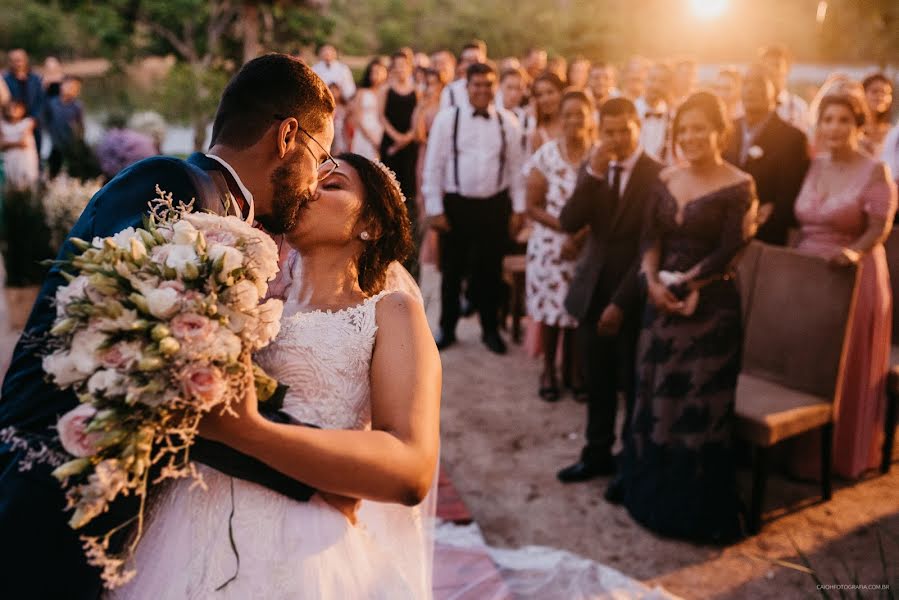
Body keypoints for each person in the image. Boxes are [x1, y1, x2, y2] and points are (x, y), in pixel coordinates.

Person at [0, 53, 338, 599]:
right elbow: (153, 366)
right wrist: (317, 467)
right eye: (321, 158)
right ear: (287, 136)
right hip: (46, 490)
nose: (317, 184)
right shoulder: (175, 184)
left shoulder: (227, 212)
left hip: (104, 506)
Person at [113, 154, 441, 599]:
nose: (310, 188)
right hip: (185, 522)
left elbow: (410, 467)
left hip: (302, 549)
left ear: (372, 225)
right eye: (313, 176)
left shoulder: (390, 311)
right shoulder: (243, 300)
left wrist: (251, 431)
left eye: (334, 185)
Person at [620, 92, 757, 542]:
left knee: (698, 406)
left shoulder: (740, 185)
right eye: (684, 130)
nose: (691, 137)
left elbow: (729, 249)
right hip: (659, 304)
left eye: (700, 128)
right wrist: (654, 284)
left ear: (719, 132)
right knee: (656, 396)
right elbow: (649, 236)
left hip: (711, 309)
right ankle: (651, 492)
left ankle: (693, 506)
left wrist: (686, 284)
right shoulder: (665, 178)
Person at [556, 97, 663, 483]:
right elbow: (569, 220)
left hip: (632, 292)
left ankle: (630, 465)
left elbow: (652, 245)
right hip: (591, 290)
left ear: (638, 127)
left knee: (631, 386)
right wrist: (592, 177)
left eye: (624, 131)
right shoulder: (595, 167)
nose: (616, 139)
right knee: (597, 382)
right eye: (609, 132)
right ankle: (596, 453)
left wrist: (621, 301)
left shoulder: (657, 174)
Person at [792, 93, 897, 480]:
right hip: (808, 278)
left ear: (858, 126)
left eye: (842, 121)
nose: (833, 128)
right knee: (808, 361)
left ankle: (839, 456)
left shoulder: (875, 171)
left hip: (854, 276)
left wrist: (854, 253)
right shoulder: (814, 165)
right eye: (827, 120)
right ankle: (799, 449)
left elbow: (879, 226)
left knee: (844, 364)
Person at [422, 62, 526, 354]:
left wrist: (518, 209)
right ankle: (448, 327)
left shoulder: (508, 122)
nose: (482, 90)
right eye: (476, 84)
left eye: (487, 85)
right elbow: (434, 167)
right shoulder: (448, 120)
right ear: (466, 87)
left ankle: (490, 329)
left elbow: (516, 169)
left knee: (490, 271)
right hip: (457, 205)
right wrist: (435, 208)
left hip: (495, 206)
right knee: (453, 271)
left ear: (495, 88)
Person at [524, 91, 596, 401]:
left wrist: (579, 236)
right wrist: (565, 230)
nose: (574, 120)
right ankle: (549, 371)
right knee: (551, 313)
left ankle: (576, 371)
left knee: (578, 312)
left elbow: (607, 206)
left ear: (591, 117)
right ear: (560, 117)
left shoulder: (599, 157)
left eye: (581, 113)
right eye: (568, 114)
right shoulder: (546, 155)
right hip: (550, 245)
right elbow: (533, 206)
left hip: (588, 244)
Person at [723, 63, 810, 246]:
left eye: (760, 85)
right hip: (723, 229)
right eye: (747, 84)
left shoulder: (792, 137)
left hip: (767, 235)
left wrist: (771, 212)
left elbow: (790, 193)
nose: (751, 90)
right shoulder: (728, 129)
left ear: (776, 92)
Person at [378, 51, 420, 278]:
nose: (401, 69)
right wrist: (396, 138)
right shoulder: (386, 90)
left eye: (405, 65)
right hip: (391, 146)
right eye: (397, 66)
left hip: (409, 147)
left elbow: (418, 118)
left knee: (409, 194)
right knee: (390, 192)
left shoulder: (417, 91)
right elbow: (381, 117)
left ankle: (409, 250)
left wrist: (407, 138)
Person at [44, 75, 88, 177]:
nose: (72, 90)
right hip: (55, 143)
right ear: (62, 86)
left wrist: (78, 139)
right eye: (70, 86)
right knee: (53, 168)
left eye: (76, 88)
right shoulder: (51, 103)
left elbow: (81, 126)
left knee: (75, 168)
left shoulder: (77, 106)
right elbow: (46, 121)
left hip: (71, 144)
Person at [759, 44, 810, 131]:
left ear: (787, 69)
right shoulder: (751, 106)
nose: (771, 70)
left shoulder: (799, 108)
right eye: (766, 67)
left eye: (776, 65)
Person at [3, 49, 45, 154]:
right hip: (12, 124)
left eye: (19, 60)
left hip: (34, 122)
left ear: (25, 60)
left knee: (36, 151)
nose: (17, 63)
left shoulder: (36, 78)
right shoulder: (5, 80)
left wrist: (34, 119)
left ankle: (38, 168)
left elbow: (41, 100)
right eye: (13, 60)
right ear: (10, 62)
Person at [349, 57, 388, 160]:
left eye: (380, 71)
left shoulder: (388, 92)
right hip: (364, 134)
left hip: (382, 132)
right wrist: (371, 138)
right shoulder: (362, 92)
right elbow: (357, 118)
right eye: (373, 72)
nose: (377, 75)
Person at [635, 62, 674, 161]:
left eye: (662, 82)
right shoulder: (631, 111)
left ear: (668, 86)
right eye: (652, 79)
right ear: (644, 80)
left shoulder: (672, 116)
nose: (656, 85)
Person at [0, 100, 40, 192]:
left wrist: (9, 143)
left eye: (17, 107)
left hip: (25, 160)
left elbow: (24, 143)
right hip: (10, 160)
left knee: (27, 185)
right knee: (11, 186)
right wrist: (16, 143)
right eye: (11, 107)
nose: (13, 110)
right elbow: (1, 145)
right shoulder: (3, 125)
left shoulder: (28, 122)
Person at [439, 41, 487, 110]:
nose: (472, 65)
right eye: (467, 61)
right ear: (462, 64)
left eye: (476, 60)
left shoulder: (495, 90)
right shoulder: (450, 91)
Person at [530, 72, 565, 152]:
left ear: (561, 93)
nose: (545, 99)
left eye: (550, 92)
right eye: (539, 95)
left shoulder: (573, 124)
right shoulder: (538, 134)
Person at [861, 73, 894, 156]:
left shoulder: (892, 133)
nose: (880, 96)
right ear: (862, 94)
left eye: (885, 92)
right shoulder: (853, 129)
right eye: (874, 91)